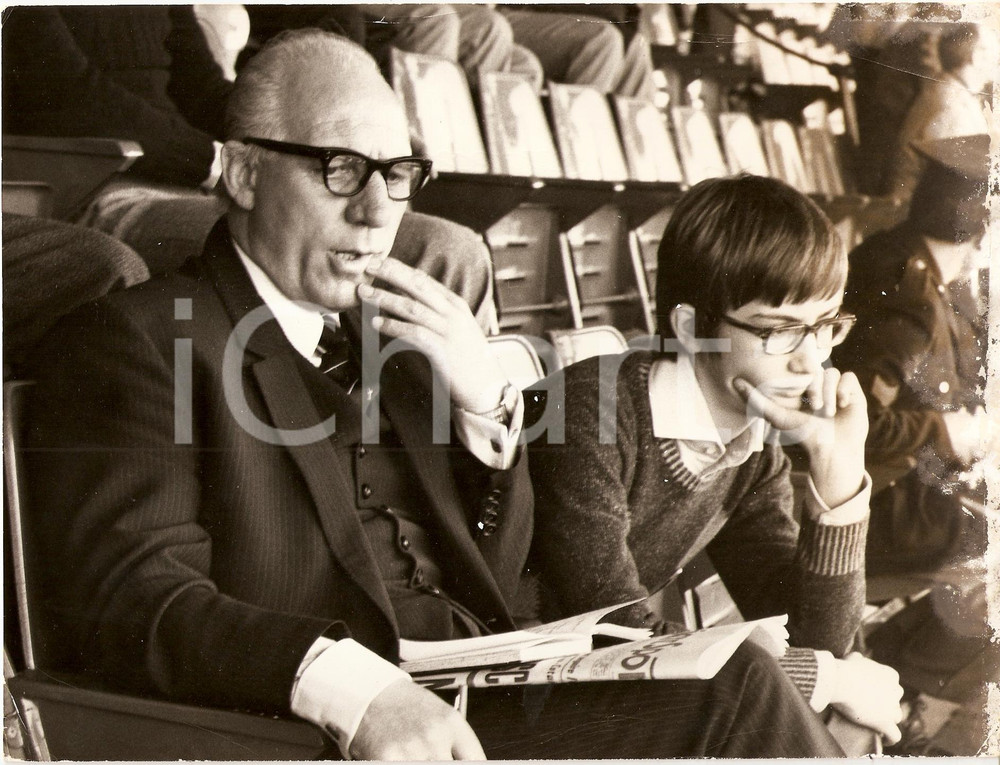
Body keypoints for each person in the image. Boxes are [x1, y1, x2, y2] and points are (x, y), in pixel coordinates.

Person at [25, 29, 848, 759]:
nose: (377, 210)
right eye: (339, 169)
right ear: (242, 172)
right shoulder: (139, 338)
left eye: (398, 173)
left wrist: (487, 409)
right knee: (737, 691)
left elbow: (497, 572)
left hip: (484, 690)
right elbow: (133, 596)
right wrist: (353, 690)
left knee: (745, 686)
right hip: (314, 734)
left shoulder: (400, 349)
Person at [527, 174, 904, 745]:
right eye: (780, 331)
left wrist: (838, 468)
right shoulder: (590, 412)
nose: (812, 362)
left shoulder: (751, 451)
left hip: (610, 689)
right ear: (689, 329)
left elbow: (816, 634)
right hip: (510, 687)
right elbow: (611, 630)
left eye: (824, 326)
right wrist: (824, 678)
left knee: (846, 729)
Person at [833, 134, 990, 575]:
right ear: (982, 229)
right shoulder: (909, 297)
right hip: (881, 505)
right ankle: (907, 647)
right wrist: (943, 430)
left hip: (903, 488)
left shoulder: (909, 263)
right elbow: (858, 421)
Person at [887, 22, 996, 207]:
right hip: (923, 215)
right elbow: (957, 183)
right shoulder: (951, 107)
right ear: (978, 57)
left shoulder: (949, 91)